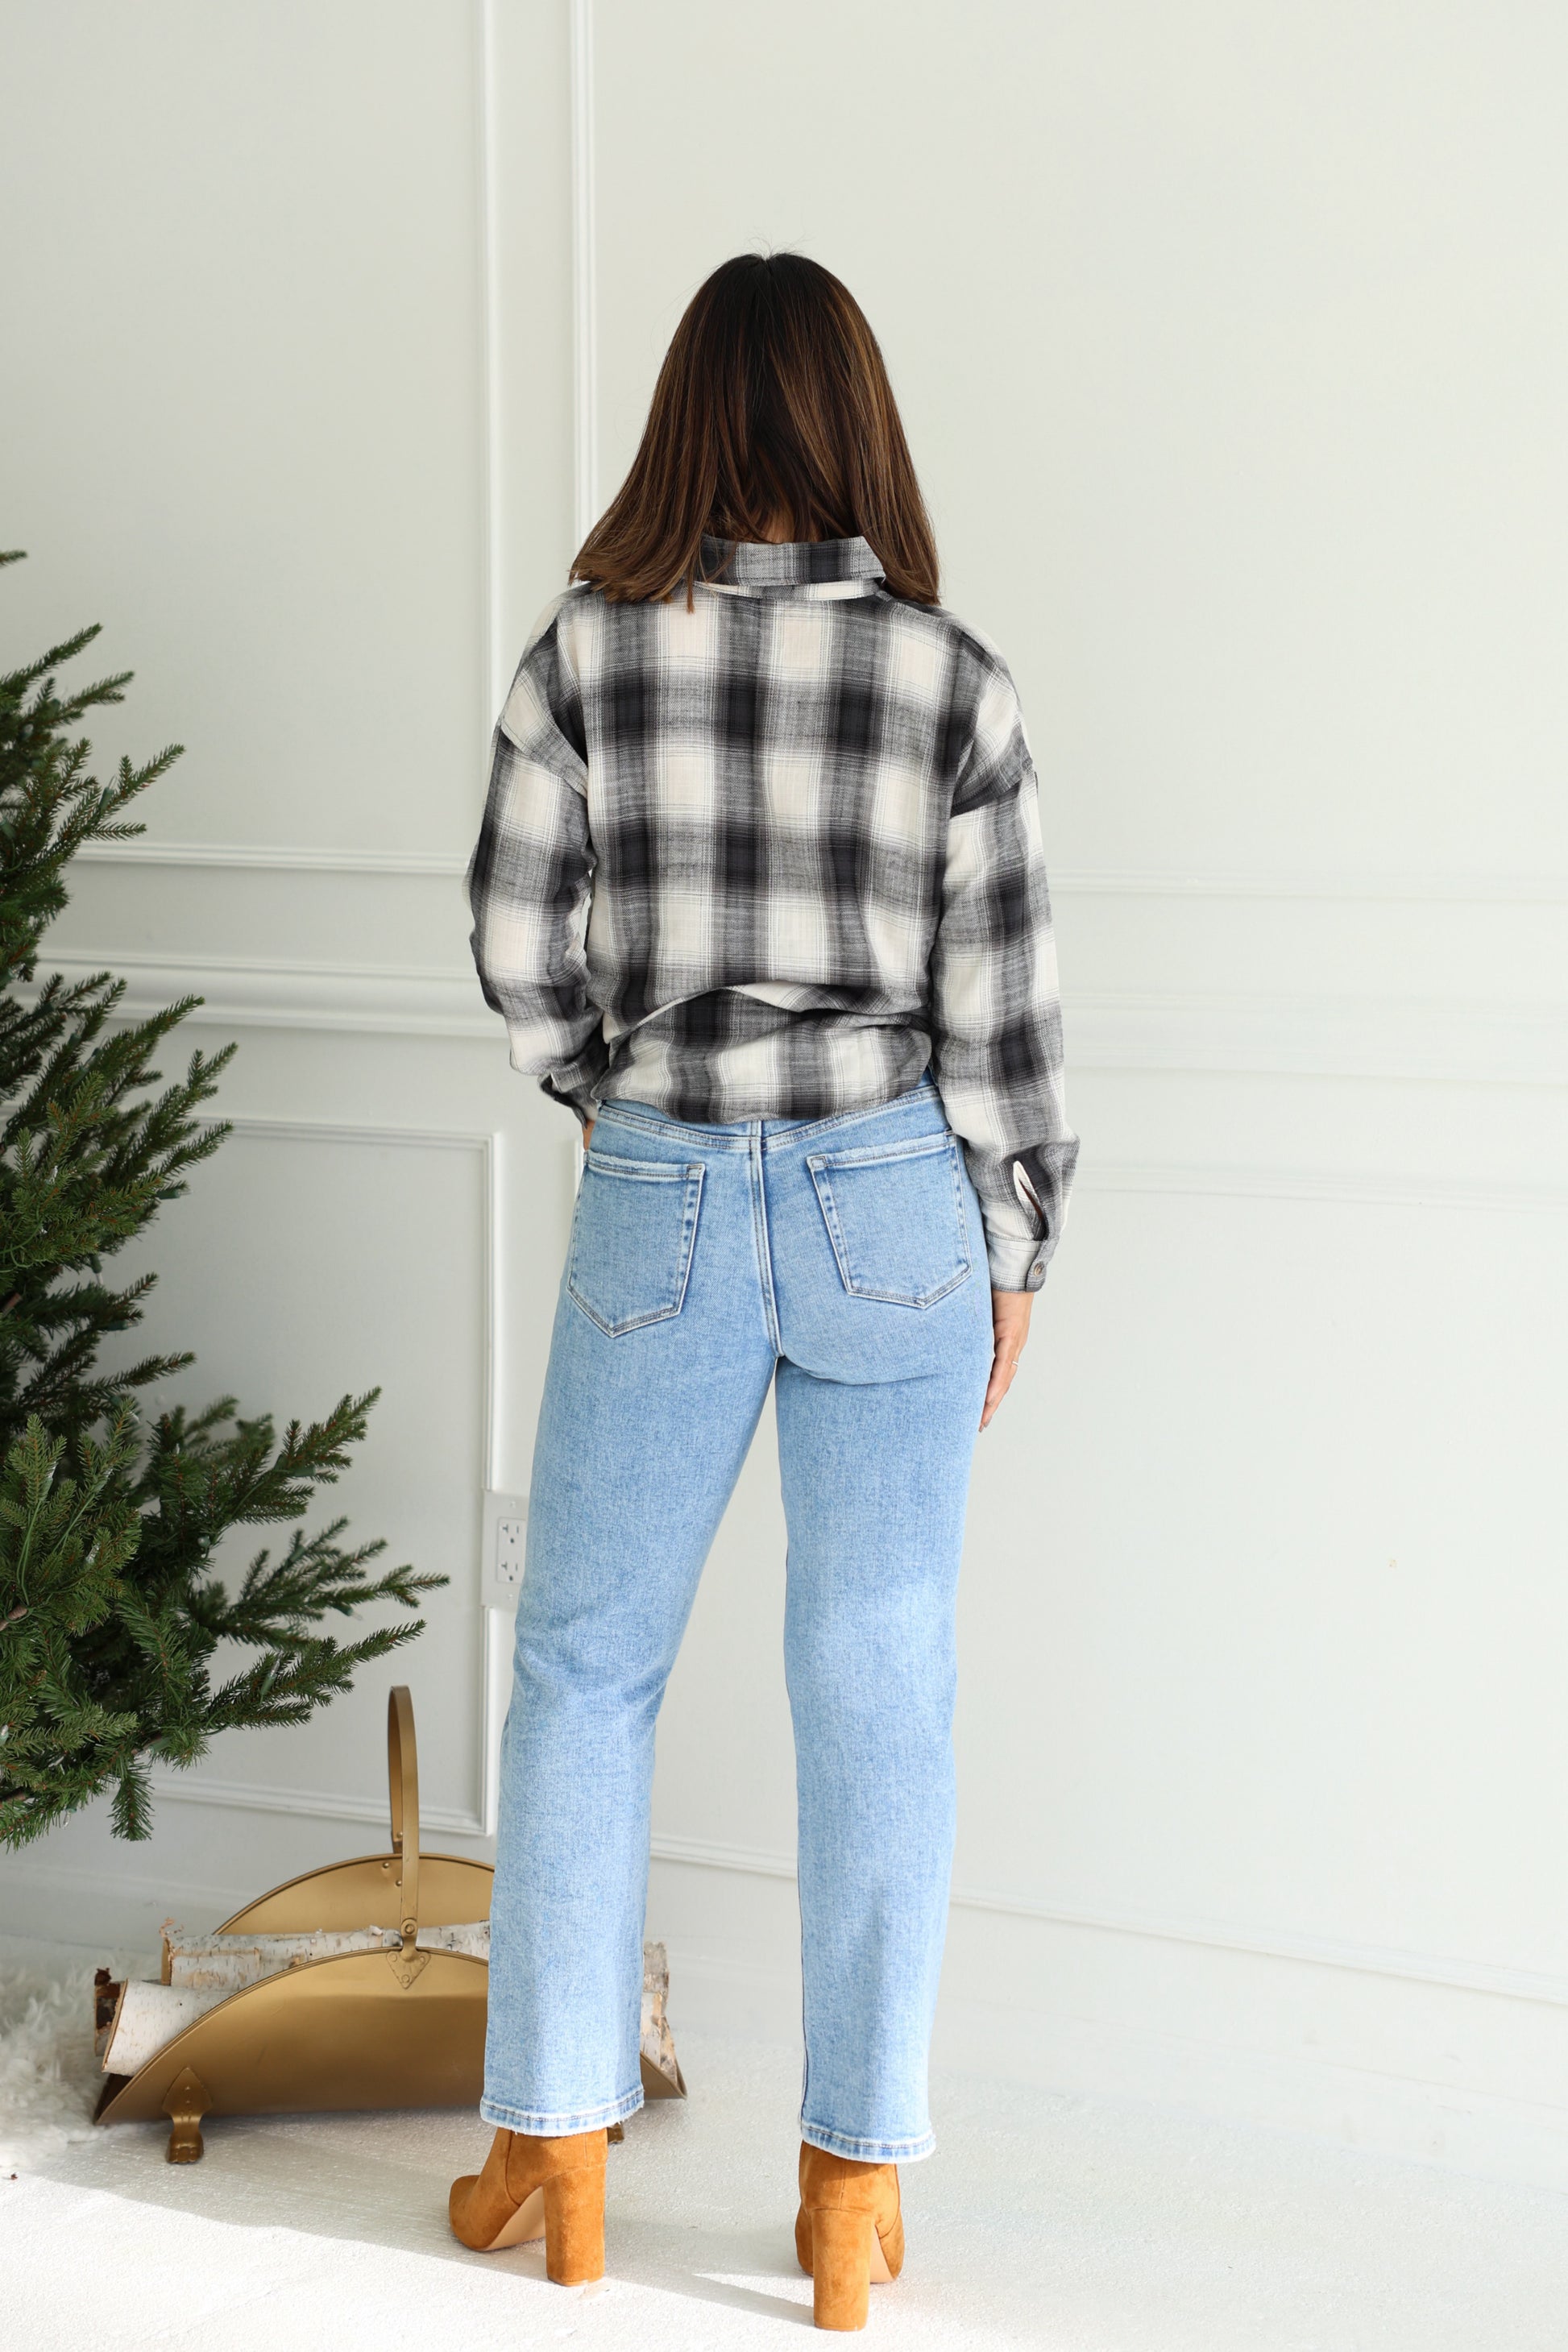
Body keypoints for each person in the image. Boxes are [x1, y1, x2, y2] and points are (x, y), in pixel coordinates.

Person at [450, 251, 1078, 2331]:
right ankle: (845, 2192)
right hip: (893, 1192)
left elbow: (518, 953)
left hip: (664, 1191)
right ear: (854, 423)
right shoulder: (948, 678)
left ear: (683, 422)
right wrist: (1012, 1240)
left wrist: (624, 1105)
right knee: (880, 1678)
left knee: (582, 1670)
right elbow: (1005, 1014)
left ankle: (550, 2145)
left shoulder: (582, 658)